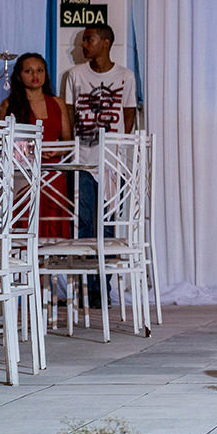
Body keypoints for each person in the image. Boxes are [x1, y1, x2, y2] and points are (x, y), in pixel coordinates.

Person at [63, 25, 138, 304]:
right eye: (83, 39)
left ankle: (100, 288)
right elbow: (69, 114)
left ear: (105, 42)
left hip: (110, 163)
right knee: (83, 224)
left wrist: (116, 149)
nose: (83, 44)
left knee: (106, 225)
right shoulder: (75, 75)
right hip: (82, 161)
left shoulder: (125, 76)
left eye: (89, 39)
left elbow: (128, 115)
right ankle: (86, 288)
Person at [0, 52, 74, 237]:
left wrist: (55, 150)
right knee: (25, 219)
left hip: (54, 173)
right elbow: (3, 143)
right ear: (19, 75)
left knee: (53, 221)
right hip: (23, 173)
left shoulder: (57, 103)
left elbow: (68, 141)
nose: (35, 76)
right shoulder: (9, 104)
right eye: (28, 71)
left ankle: (53, 261)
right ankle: (25, 260)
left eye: (39, 70)